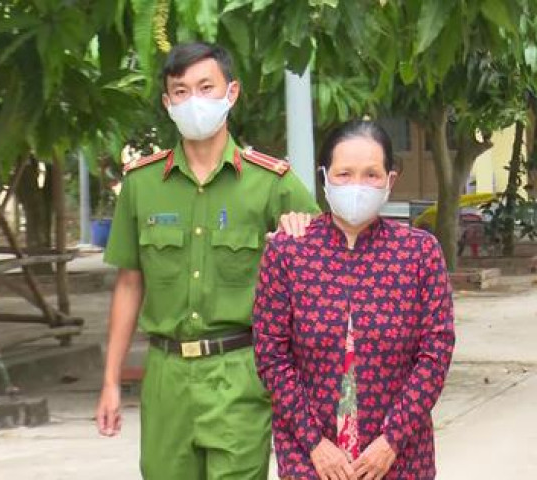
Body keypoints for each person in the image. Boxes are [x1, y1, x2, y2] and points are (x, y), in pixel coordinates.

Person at [96, 41, 320, 480]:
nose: (193, 101)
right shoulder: (142, 184)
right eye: (181, 91)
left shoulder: (272, 183)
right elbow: (129, 283)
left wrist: (301, 235)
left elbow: (325, 274)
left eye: (205, 87)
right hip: (165, 376)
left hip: (239, 372)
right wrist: (110, 381)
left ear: (231, 93)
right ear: (167, 103)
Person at [253, 120, 455, 480]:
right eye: (344, 174)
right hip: (310, 457)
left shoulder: (420, 253)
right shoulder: (288, 251)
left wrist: (391, 441)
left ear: (390, 180)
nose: (357, 185)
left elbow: (435, 354)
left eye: (371, 175)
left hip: (400, 457)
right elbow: (271, 355)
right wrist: (315, 443)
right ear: (324, 177)